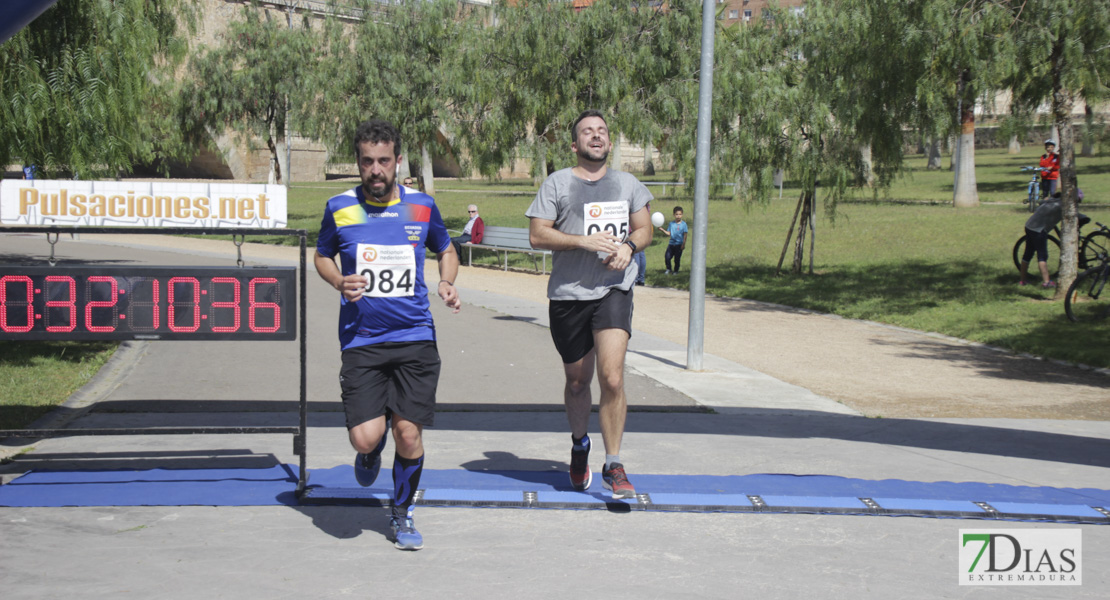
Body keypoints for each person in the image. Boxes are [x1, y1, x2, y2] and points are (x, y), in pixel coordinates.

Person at [314, 119, 461, 551]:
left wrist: (447, 281)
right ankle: (369, 450)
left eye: (383, 161)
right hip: (362, 339)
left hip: (415, 335)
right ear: (357, 163)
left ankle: (401, 513)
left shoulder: (421, 206)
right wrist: (340, 281)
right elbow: (322, 256)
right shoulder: (338, 207)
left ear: (397, 161)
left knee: (409, 433)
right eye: (366, 162)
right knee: (367, 435)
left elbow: (446, 249)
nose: (375, 170)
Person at [526, 109, 653, 499]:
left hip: (614, 288)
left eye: (601, 132)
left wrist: (629, 247)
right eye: (587, 132)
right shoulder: (557, 183)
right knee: (578, 381)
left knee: (612, 377)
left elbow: (644, 228)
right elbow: (537, 235)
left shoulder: (628, 184)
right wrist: (584, 240)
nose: (595, 137)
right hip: (568, 295)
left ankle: (614, 464)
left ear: (610, 142)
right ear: (574, 144)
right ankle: (580, 444)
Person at [1019, 191, 1089, 288]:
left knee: (1028, 254)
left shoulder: (1054, 199)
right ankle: (1047, 282)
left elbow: (1042, 202)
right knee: (1042, 256)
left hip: (1029, 225)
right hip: (1039, 229)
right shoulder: (1064, 205)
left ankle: (1023, 280)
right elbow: (1077, 215)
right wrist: (1085, 218)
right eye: (1077, 201)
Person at [660, 206, 688, 274]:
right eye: (677, 214)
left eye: (680, 214)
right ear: (674, 215)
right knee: (667, 257)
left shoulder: (684, 224)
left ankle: (676, 271)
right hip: (671, 244)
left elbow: (685, 235)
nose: (678, 216)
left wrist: (683, 244)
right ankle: (668, 268)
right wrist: (662, 230)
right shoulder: (671, 224)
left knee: (677, 259)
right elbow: (669, 233)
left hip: (679, 244)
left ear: (682, 214)